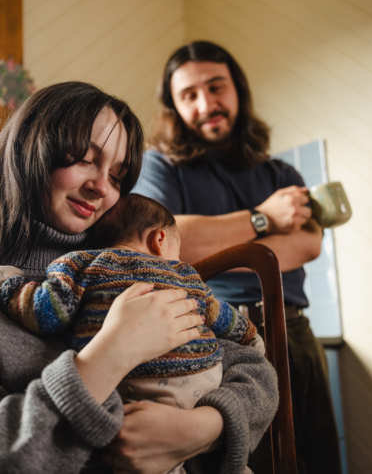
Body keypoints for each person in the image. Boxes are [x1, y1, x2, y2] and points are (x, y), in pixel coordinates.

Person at [0, 80, 278, 474]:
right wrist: (109, 356)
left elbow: (253, 370)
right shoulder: (36, 285)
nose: (101, 187)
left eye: (117, 176)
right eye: (84, 159)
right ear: (32, 148)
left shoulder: (127, 267)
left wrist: (202, 427)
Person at [134, 41, 342, 474]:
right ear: (173, 105)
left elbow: (307, 245)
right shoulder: (161, 166)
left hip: (297, 333)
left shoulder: (280, 172)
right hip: (226, 338)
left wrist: (205, 239)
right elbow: (165, 244)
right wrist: (264, 218)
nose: (206, 103)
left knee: (319, 460)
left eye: (216, 87)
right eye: (189, 95)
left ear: (238, 91)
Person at [1, 192, 263, 474]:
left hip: (135, 391)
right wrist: (251, 336)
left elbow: (44, 311)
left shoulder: (81, 264)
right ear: (159, 239)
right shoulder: (184, 275)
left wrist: (10, 282)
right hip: (204, 378)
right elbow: (219, 314)